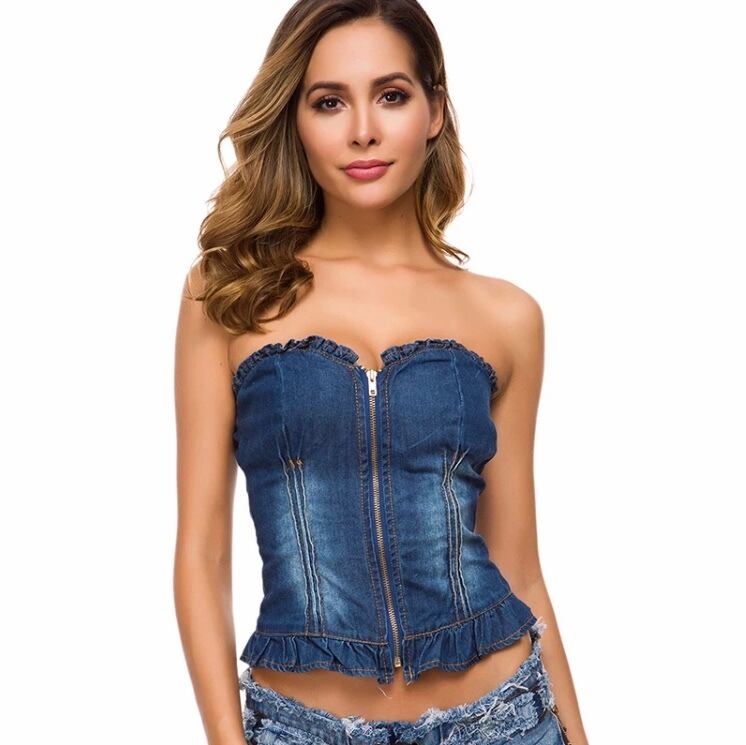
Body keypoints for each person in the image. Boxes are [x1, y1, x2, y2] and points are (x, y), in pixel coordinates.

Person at [174, 1, 587, 743]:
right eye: (329, 102)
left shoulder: (506, 316)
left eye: (391, 95)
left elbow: (520, 566)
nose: (363, 129)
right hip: (300, 726)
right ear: (295, 119)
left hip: (503, 719)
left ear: (434, 111)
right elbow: (201, 556)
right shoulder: (230, 292)